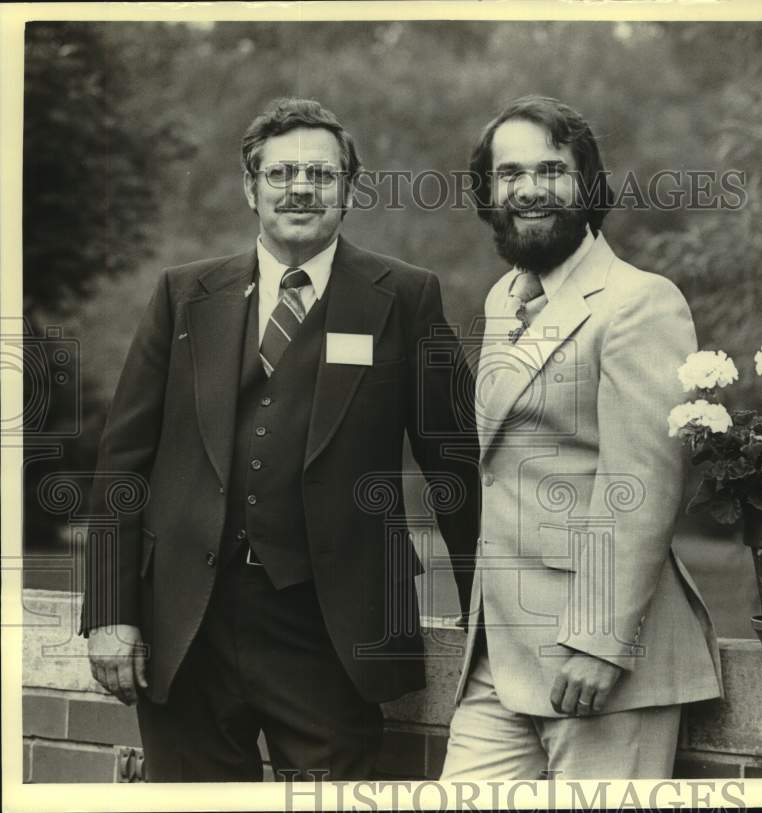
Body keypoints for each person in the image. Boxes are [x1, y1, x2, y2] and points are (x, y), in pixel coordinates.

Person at [81, 97, 479, 782]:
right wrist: (109, 610)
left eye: (321, 175)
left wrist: (486, 615)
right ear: (250, 187)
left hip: (334, 630)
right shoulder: (184, 295)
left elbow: (457, 465)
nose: (300, 188)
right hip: (186, 625)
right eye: (282, 173)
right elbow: (124, 459)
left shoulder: (406, 298)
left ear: (349, 190)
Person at [441, 95, 723, 780]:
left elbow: (642, 481)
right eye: (509, 174)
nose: (529, 189)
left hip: (600, 661)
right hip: (499, 658)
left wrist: (600, 641)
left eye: (551, 170)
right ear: (488, 192)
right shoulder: (504, 297)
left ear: (586, 185)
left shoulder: (640, 301)